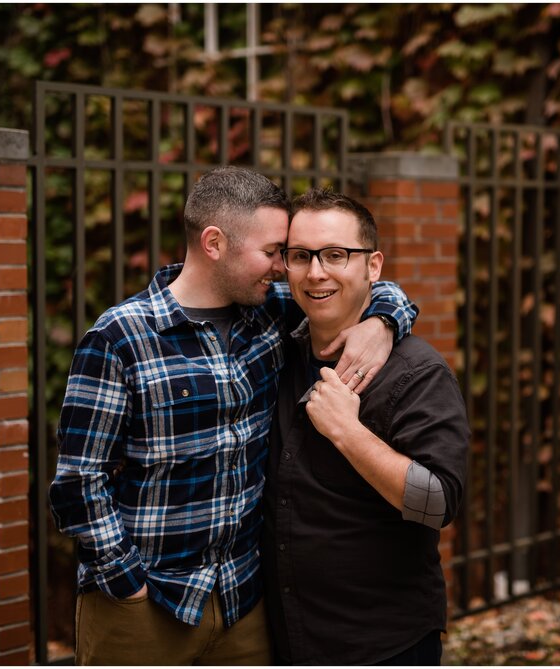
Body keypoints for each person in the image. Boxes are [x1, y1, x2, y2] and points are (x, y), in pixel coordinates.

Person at [48, 167, 419, 665]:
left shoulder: (268, 314)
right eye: (273, 253)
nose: (285, 268)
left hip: (245, 600)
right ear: (214, 243)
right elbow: (79, 479)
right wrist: (125, 582)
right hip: (147, 602)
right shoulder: (120, 338)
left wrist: (382, 322)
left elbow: (366, 285)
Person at [261, 189, 469, 665]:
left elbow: (438, 502)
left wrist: (347, 433)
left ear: (373, 267)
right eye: (300, 256)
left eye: (336, 255)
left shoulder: (418, 372)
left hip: (381, 643)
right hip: (289, 636)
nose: (316, 272)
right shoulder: (276, 346)